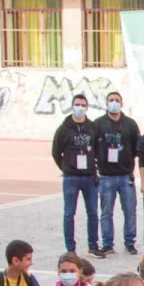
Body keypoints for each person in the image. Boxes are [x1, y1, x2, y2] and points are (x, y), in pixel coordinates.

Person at [52, 95, 103, 256]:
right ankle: (70, 248)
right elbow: (55, 152)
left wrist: (93, 169)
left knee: (93, 212)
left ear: (87, 107)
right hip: (71, 178)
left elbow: (97, 149)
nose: (79, 107)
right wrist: (66, 167)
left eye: (82, 105)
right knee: (69, 213)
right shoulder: (64, 128)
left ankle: (93, 246)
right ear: (72, 106)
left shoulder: (92, 127)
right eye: (77, 104)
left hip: (89, 177)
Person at [94, 92, 140, 257]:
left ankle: (130, 242)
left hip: (126, 175)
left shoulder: (130, 124)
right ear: (106, 103)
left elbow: (137, 147)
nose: (114, 103)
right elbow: (92, 148)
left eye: (117, 100)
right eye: (111, 100)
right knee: (106, 212)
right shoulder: (98, 124)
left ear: (122, 103)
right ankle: (108, 243)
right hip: (106, 176)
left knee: (130, 211)